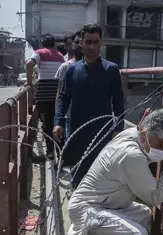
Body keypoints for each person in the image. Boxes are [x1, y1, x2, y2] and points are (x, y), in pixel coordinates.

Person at [53, 24, 124, 188]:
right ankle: (77, 204)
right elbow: (63, 98)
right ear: (81, 43)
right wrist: (58, 122)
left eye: (95, 42)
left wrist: (118, 129)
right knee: (77, 172)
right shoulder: (72, 70)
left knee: (99, 174)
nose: (92, 46)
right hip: (77, 129)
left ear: (101, 43)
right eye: (88, 42)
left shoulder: (111, 69)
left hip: (102, 132)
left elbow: (118, 102)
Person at [26, 34, 65, 157]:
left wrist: (29, 82)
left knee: (46, 124)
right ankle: (60, 152)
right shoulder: (60, 56)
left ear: (42, 44)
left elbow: (29, 64)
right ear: (54, 44)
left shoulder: (39, 52)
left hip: (43, 95)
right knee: (57, 123)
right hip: (57, 95)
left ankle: (49, 152)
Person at [55, 31, 83, 140]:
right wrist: (57, 119)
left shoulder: (97, 67)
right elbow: (60, 94)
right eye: (76, 42)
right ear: (72, 45)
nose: (79, 45)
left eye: (82, 42)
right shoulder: (65, 67)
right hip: (70, 117)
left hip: (90, 116)